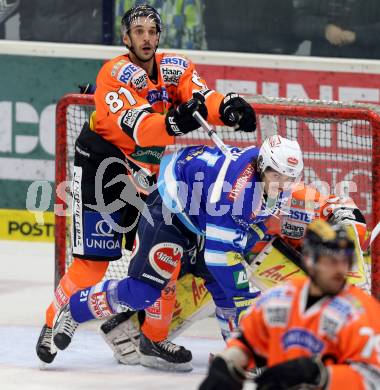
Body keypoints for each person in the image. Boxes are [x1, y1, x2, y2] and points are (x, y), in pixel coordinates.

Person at [35, 3, 256, 368]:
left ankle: (153, 340)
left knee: (162, 254)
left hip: (148, 174)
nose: (146, 38)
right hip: (102, 167)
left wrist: (227, 106)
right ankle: (50, 322)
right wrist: (173, 122)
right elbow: (139, 128)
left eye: (152, 31)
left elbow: (202, 96)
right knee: (92, 266)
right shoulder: (113, 73)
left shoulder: (175, 67)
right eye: (138, 31)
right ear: (126, 38)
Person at [50, 134, 304, 367]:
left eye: (288, 178)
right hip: (169, 209)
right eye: (276, 176)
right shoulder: (236, 193)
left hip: (201, 214)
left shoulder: (273, 184)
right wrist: (244, 294)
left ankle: (241, 354)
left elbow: (257, 223)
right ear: (261, 165)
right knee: (143, 291)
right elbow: (218, 258)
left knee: (226, 292)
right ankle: (74, 309)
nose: (281, 185)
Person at [199, 219, 380, 390]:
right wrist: (226, 364)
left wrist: (319, 375)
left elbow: (373, 378)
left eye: (345, 261)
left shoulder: (362, 311)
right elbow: (249, 342)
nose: (340, 269)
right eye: (331, 261)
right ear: (310, 260)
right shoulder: (279, 298)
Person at [293, 0, 380, 59]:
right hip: (322, 67)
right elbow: (297, 20)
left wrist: (357, 35)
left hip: (367, 68)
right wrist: (325, 29)